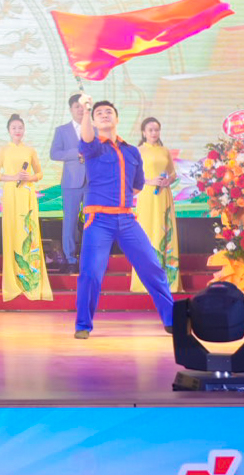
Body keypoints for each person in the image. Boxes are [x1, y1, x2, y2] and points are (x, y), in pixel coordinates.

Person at [73, 95, 174, 339]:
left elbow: (137, 186)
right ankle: (83, 325)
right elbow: (86, 136)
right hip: (99, 220)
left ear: (117, 118)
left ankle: (172, 320)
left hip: (127, 220)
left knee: (152, 267)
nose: (104, 115)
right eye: (99, 113)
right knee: (91, 273)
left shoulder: (131, 151)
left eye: (109, 112)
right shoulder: (93, 146)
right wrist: (86, 110)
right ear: (93, 122)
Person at [0, 114, 52, 302]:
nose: (17, 130)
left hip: (27, 194)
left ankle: (30, 281)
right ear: (8, 131)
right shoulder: (3, 150)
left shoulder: (30, 150)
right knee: (12, 232)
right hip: (11, 194)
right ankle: (13, 282)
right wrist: (13, 177)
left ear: (24, 130)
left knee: (28, 232)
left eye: (20, 127)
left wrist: (30, 177)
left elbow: (40, 173)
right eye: (14, 128)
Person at [133, 116, 182, 294]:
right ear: (144, 132)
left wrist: (168, 180)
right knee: (147, 232)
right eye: (150, 130)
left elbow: (173, 173)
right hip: (147, 195)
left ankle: (168, 281)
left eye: (156, 130)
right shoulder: (138, 151)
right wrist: (150, 181)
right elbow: (132, 176)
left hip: (164, 195)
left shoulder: (164, 150)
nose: (154, 133)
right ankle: (145, 281)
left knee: (165, 232)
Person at [49, 93, 88, 273]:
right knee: (70, 222)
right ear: (71, 109)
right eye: (76, 106)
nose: (80, 109)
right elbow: (54, 153)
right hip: (71, 182)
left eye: (82, 106)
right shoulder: (62, 130)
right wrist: (75, 153)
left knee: (91, 222)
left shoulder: (95, 129)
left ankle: (88, 258)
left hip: (92, 183)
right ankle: (70, 259)